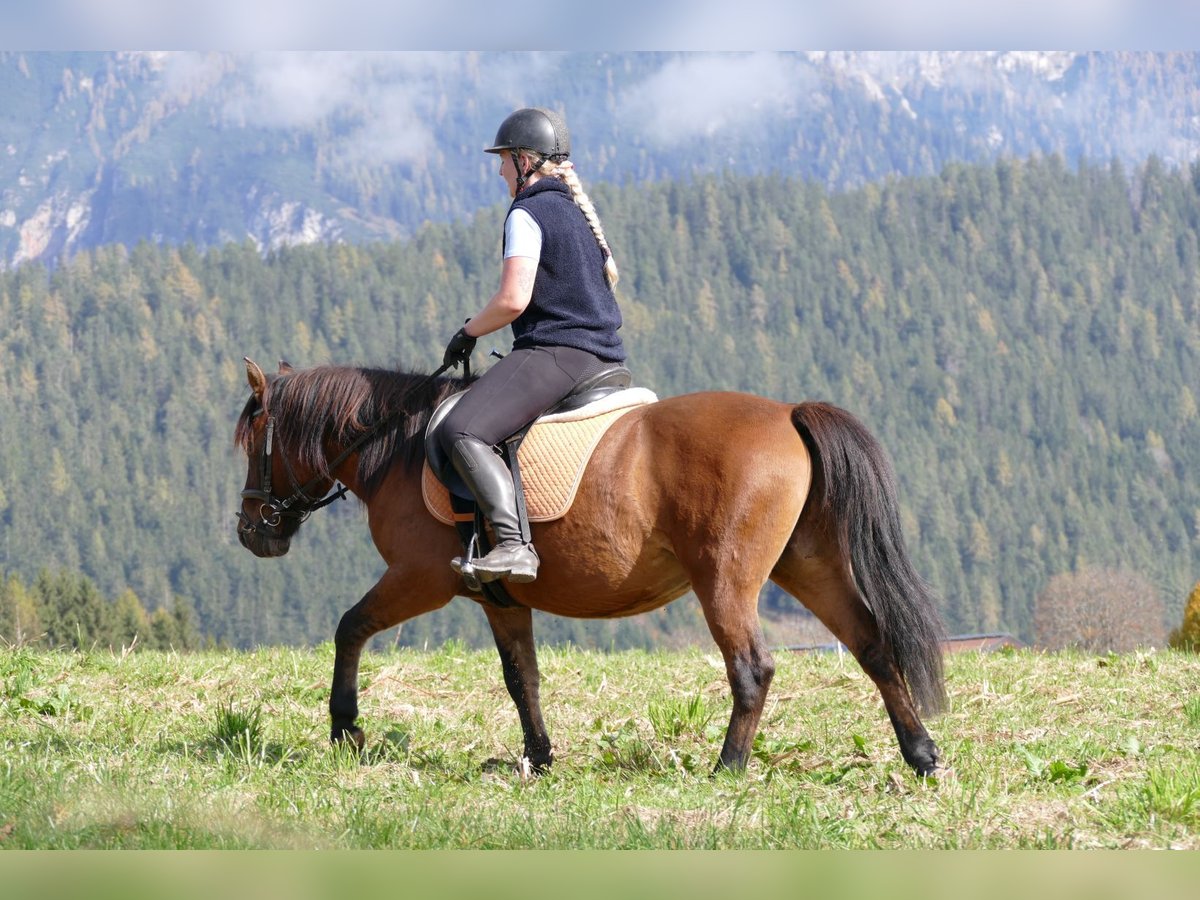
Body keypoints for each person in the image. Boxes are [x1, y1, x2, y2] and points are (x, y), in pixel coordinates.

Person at [438, 106, 625, 584]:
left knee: (461, 429)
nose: (499, 170)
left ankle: (514, 546)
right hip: (603, 357)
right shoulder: (573, 209)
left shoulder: (528, 211)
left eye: (503, 160)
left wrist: (468, 332)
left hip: (557, 354)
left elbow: (512, 300)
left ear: (524, 160)